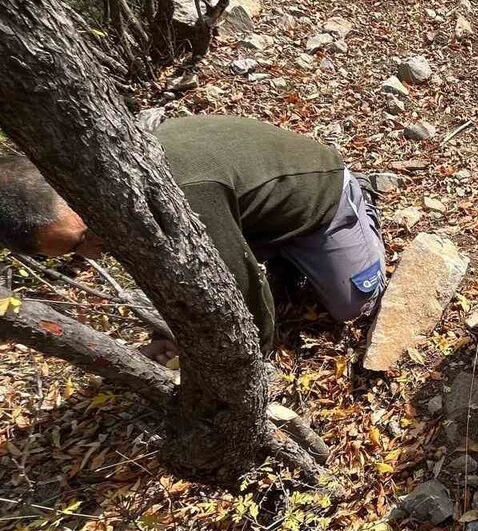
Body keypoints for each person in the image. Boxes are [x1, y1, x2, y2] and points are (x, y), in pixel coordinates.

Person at [0, 115, 386, 360]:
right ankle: (283, 252)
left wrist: (254, 360)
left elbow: (238, 283)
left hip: (320, 199)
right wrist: (167, 331)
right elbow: (172, 272)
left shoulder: (181, 191)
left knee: (353, 304)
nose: (94, 255)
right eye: (73, 252)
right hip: (250, 212)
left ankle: (360, 199)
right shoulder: (108, 193)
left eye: (82, 237)